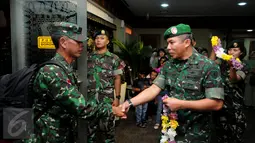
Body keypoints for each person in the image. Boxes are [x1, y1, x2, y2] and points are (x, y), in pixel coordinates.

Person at [21, 22, 124, 143]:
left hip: (60, 133)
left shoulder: (66, 68)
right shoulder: (53, 71)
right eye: (77, 42)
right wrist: (111, 110)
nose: (82, 45)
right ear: (63, 42)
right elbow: (80, 108)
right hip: (47, 135)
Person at [120, 23, 224, 142]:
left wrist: (182, 104)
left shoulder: (208, 66)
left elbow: (216, 103)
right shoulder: (169, 65)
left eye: (171, 42)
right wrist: (129, 103)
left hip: (197, 133)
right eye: (167, 43)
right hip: (172, 131)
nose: (168, 47)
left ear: (186, 42)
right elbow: (154, 89)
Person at [87, 30, 126, 143]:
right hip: (90, 101)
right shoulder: (87, 57)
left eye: (102, 38)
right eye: (97, 38)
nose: (98, 40)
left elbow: (117, 78)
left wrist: (117, 98)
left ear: (108, 41)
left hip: (106, 100)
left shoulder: (114, 58)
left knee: (108, 130)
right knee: (90, 132)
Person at [209, 40, 248, 143]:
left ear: (241, 52)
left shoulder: (243, 65)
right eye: (230, 49)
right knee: (219, 134)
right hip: (220, 104)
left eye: (235, 50)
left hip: (234, 107)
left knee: (234, 135)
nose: (231, 52)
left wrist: (232, 67)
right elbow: (210, 64)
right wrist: (215, 48)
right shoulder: (222, 62)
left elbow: (234, 79)